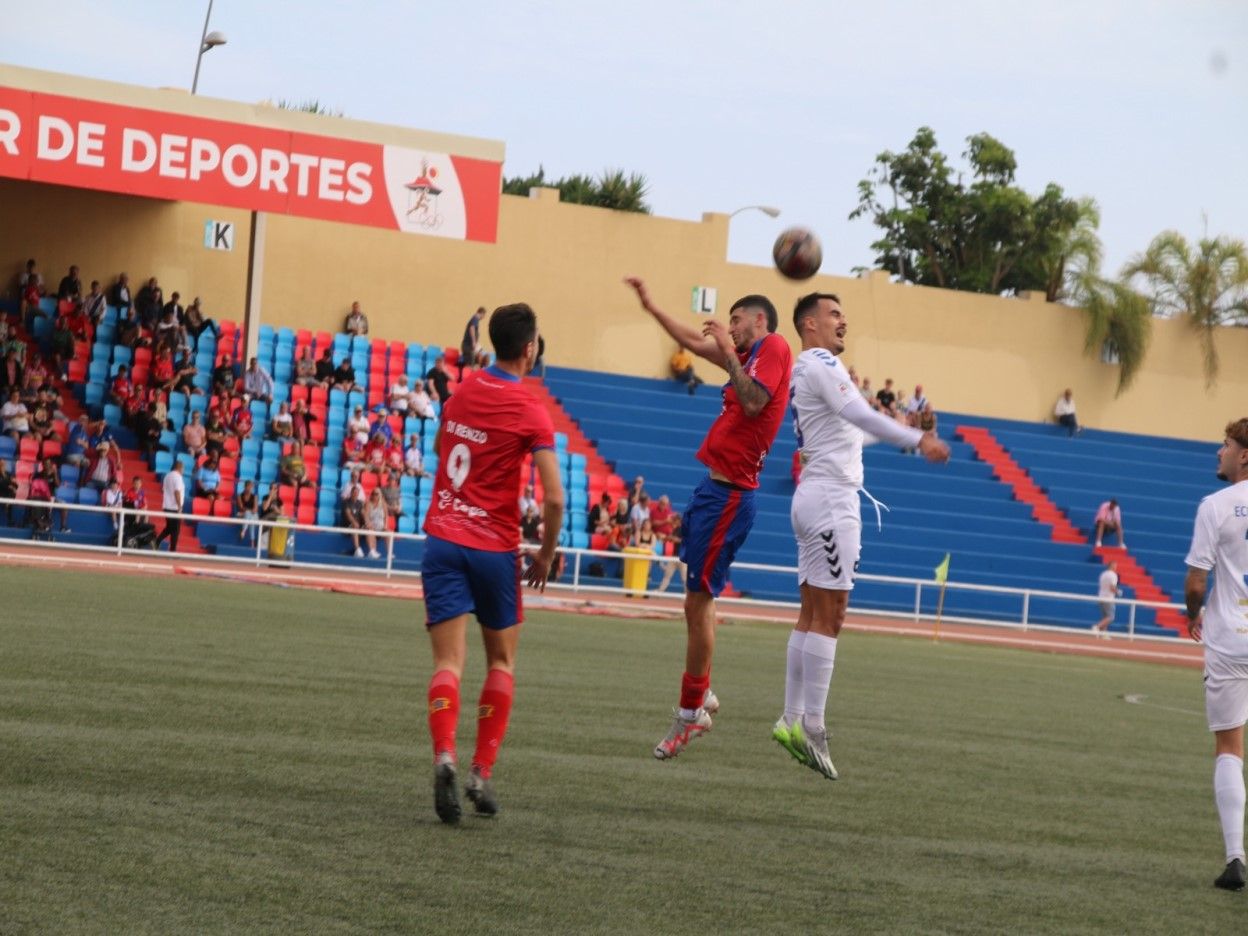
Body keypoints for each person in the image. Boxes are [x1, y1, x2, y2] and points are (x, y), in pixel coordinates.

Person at [773, 292, 949, 780]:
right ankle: (813, 724)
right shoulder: (823, 362)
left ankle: (791, 718)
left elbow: (855, 430)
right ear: (810, 325)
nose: (842, 321)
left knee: (812, 613)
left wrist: (903, 429)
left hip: (815, 496)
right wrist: (918, 439)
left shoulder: (806, 371)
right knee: (833, 615)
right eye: (833, 314)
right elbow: (862, 417)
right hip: (832, 501)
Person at [624, 276, 793, 761]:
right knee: (695, 602)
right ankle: (703, 690)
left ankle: (690, 711)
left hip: (731, 497)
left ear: (759, 321)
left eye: (737, 322)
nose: (730, 329)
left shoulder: (775, 347)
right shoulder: (749, 359)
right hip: (713, 490)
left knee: (698, 603)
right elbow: (692, 343)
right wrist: (653, 304)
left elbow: (754, 400)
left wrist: (726, 345)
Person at [421, 302, 563, 825]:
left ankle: (443, 756)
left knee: (447, 665)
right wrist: (545, 554)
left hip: (442, 537)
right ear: (529, 349)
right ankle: (481, 771)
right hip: (494, 548)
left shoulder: (462, 390)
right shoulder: (530, 409)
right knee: (500, 664)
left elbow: (441, 446)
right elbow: (553, 498)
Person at [1183, 417, 1248, 891]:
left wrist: (1192, 614)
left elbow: (1196, 579)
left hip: (1230, 637)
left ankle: (1235, 858)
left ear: (1244, 455)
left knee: (1229, 747)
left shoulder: (1216, 506)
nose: (1218, 452)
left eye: (1224, 445)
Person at [155, 457, 185, 551]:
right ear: (180, 467)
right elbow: (177, 492)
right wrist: (179, 506)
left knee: (169, 528)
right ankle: (172, 550)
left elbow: (164, 490)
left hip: (167, 505)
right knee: (175, 530)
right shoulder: (178, 477)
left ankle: (157, 541)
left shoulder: (167, 476)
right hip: (174, 507)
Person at [1092, 560, 1120, 637]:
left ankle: (1103, 634)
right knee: (1110, 617)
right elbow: (1112, 587)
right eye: (1115, 566)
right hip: (1108, 598)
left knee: (1105, 617)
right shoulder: (1113, 575)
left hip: (1101, 597)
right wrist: (1118, 592)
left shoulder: (1103, 574)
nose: (1116, 567)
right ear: (1112, 566)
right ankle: (1097, 626)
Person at [459, 306, 486, 375]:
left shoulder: (474, 319)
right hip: (468, 346)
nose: (484, 317)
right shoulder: (475, 319)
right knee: (469, 365)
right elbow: (472, 328)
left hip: (468, 346)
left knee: (472, 363)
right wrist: (474, 342)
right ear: (482, 313)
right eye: (484, 315)